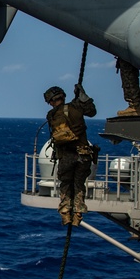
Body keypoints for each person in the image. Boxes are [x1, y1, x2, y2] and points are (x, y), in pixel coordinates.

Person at [44, 83, 98, 226]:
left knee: (66, 185)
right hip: (83, 154)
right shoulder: (76, 107)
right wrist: (82, 96)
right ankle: (78, 214)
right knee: (79, 185)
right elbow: (92, 112)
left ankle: (66, 214)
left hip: (66, 156)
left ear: (51, 101)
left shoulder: (51, 115)